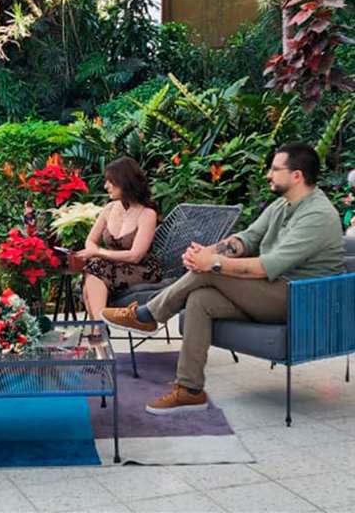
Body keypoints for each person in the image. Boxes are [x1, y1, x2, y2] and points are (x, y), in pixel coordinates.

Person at [102, 143, 345, 414]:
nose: (269, 174)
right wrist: (208, 252)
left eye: (276, 169)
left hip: (301, 298)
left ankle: (147, 315)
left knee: (211, 272)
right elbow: (247, 239)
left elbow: (267, 266)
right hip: (271, 290)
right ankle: (190, 390)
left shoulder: (318, 215)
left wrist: (213, 263)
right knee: (201, 299)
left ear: (297, 175)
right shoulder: (281, 206)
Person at [76, 157, 161, 336]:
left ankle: (98, 331)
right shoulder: (109, 209)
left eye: (110, 181)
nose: (106, 186)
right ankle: (99, 329)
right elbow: (90, 241)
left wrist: (99, 253)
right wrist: (95, 251)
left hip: (140, 269)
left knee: (94, 270)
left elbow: (135, 255)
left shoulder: (147, 214)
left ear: (125, 182)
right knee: (94, 269)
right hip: (109, 267)